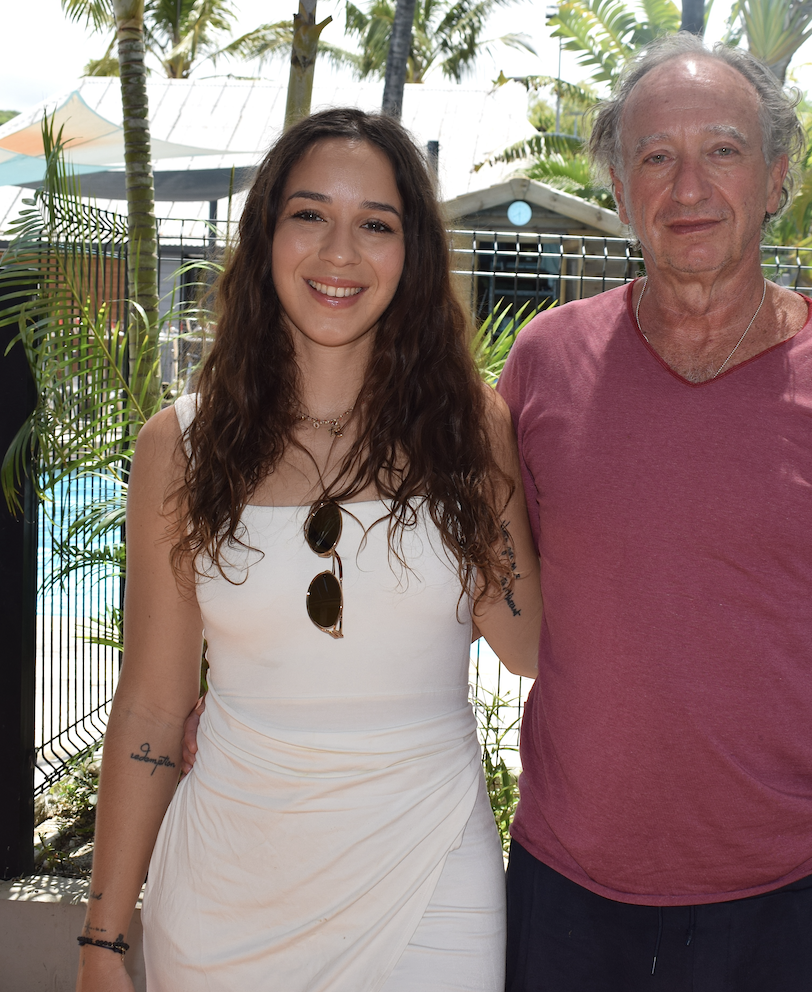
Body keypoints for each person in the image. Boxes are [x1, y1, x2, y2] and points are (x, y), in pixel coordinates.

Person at [496, 35, 812, 992]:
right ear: (622, 191)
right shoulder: (543, 363)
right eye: (655, 157)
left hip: (805, 908)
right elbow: (479, 590)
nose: (688, 186)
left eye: (723, 150)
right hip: (571, 902)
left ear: (778, 177)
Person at [75, 108, 540, 992]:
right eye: (309, 214)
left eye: (376, 224)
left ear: (413, 258)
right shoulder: (180, 446)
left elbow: (524, 647)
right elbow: (150, 710)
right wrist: (103, 941)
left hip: (430, 873)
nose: (340, 252)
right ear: (265, 235)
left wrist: (482, 484)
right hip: (225, 889)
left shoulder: (472, 428)